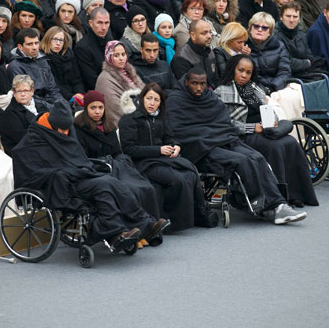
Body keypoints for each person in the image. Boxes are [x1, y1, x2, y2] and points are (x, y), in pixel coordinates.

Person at [12, 99, 170, 250]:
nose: (66, 133)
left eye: (68, 129)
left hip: (78, 176)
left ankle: (143, 225)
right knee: (104, 185)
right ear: (53, 126)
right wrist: (69, 172)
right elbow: (32, 171)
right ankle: (115, 231)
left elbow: (77, 157)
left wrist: (84, 168)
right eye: (63, 130)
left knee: (111, 184)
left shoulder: (65, 132)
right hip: (60, 183)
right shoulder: (33, 140)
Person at [166, 67, 308, 225]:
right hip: (201, 148)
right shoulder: (176, 100)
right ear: (186, 82)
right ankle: (265, 205)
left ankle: (278, 205)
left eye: (202, 84)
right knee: (241, 161)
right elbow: (178, 131)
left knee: (257, 157)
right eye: (194, 83)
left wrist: (217, 134)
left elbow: (224, 122)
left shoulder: (210, 98)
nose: (199, 88)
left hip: (223, 139)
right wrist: (208, 135)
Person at [215, 55, 319, 207]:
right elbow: (224, 124)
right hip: (244, 136)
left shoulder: (254, 87)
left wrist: (273, 120)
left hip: (266, 129)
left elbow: (266, 108)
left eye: (248, 72)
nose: (244, 75)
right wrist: (252, 127)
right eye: (241, 70)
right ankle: (279, 197)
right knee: (275, 147)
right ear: (232, 70)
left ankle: (296, 194)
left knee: (290, 142)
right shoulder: (221, 92)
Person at [119, 83, 218, 231]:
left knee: (191, 173)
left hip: (162, 159)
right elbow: (129, 149)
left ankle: (197, 212)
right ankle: (171, 219)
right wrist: (158, 150)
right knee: (177, 180)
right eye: (149, 98)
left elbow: (169, 138)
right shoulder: (129, 120)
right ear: (142, 99)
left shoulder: (161, 118)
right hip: (142, 163)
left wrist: (176, 146)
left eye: (156, 100)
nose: (152, 103)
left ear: (161, 102)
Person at [73, 90, 163, 244]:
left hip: (115, 165)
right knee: (129, 189)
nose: (97, 112)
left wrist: (120, 161)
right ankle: (135, 232)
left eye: (100, 108)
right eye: (93, 108)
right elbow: (82, 158)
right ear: (86, 109)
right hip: (98, 169)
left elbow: (117, 152)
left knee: (145, 187)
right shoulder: (79, 129)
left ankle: (149, 230)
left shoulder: (108, 125)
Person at [246, 11, 304, 119]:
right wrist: (264, 88)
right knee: (273, 105)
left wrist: (273, 86)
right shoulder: (244, 46)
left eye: (264, 28)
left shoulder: (279, 46)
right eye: (256, 26)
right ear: (250, 28)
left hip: (276, 86)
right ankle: (281, 130)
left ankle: (298, 129)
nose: (259, 29)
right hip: (255, 89)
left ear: (270, 32)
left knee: (292, 97)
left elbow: (284, 71)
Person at [94, 40, 144, 129]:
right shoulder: (104, 79)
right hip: (125, 127)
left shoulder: (129, 71)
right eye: (116, 55)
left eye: (123, 54)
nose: (121, 58)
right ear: (109, 56)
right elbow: (115, 111)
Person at [7, 28, 63, 105]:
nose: (34, 47)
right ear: (20, 47)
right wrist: (52, 108)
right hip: (34, 108)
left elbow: (54, 90)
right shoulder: (15, 66)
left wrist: (62, 105)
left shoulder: (43, 61)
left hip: (50, 104)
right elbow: (26, 97)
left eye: (36, 43)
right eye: (29, 44)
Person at [0, 75, 50, 156]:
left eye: (26, 90)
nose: (23, 94)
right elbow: (24, 138)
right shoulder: (10, 114)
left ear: (32, 91)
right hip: (23, 152)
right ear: (14, 93)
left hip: (43, 145)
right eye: (19, 91)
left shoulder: (41, 106)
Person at [40, 27, 85, 101]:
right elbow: (53, 84)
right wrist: (71, 97)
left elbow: (77, 79)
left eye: (61, 40)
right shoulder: (43, 58)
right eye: (55, 39)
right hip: (56, 98)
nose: (58, 43)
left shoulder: (69, 54)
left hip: (74, 95)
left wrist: (79, 93)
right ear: (48, 39)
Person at [172, 20, 220, 88]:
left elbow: (215, 80)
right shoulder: (181, 58)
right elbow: (187, 88)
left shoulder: (210, 52)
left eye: (210, 32)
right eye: (204, 33)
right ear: (193, 35)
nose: (209, 36)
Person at [75, 7, 113, 90]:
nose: (104, 27)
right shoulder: (82, 47)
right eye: (99, 23)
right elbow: (91, 81)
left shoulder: (111, 42)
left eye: (106, 23)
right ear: (90, 23)